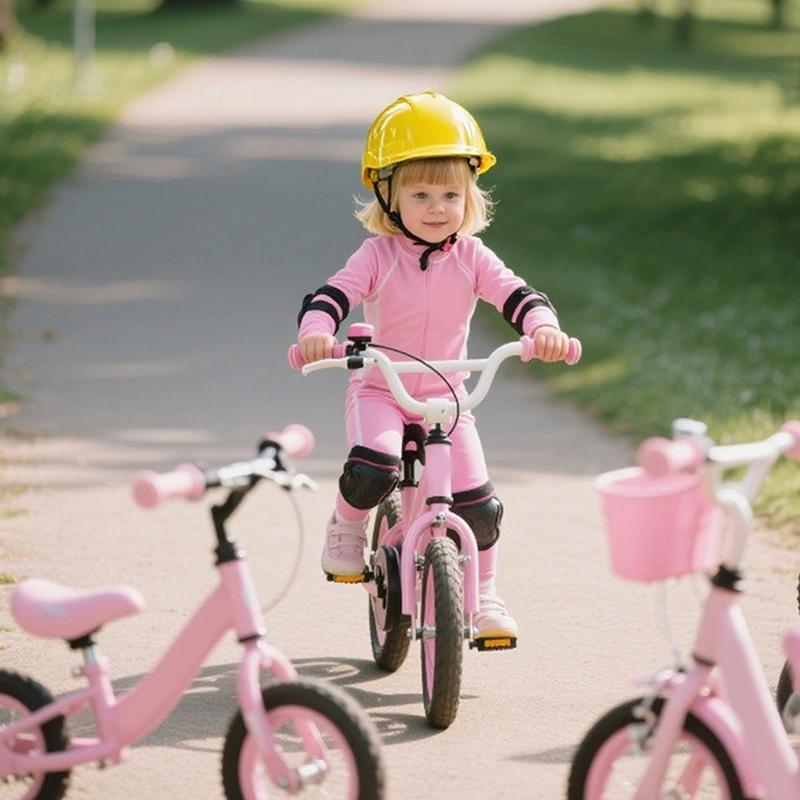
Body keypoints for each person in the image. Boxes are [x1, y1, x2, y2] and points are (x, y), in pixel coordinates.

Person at [296, 91, 571, 642]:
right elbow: (333, 295)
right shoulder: (377, 256)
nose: (437, 207)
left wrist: (543, 328)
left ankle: (485, 595)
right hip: (382, 391)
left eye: (451, 194)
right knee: (374, 466)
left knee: (480, 508)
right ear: (387, 194)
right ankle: (347, 526)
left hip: (449, 400)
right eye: (420, 194)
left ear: (470, 196)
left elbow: (517, 294)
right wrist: (316, 334)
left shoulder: (471, 256)